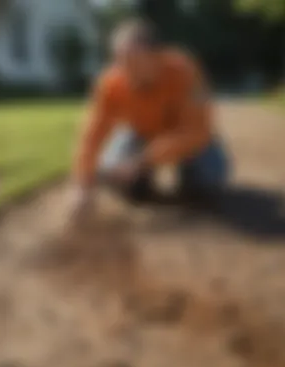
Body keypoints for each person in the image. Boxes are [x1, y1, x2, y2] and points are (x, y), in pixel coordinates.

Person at [70, 18, 229, 217]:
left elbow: (196, 131)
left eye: (133, 62)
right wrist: (83, 183)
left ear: (157, 56)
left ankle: (191, 181)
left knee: (206, 182)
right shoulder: (110, 83)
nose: (125, 71)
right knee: (122, 181)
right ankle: (140, 183)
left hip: (187, 139)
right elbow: (91, 134)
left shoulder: (185, 71)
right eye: (120, 61)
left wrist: (142, 161)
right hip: (141, 134)